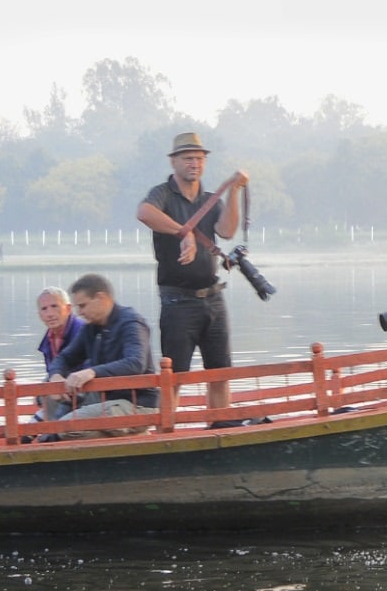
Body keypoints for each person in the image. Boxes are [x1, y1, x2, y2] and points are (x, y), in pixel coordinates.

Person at [136, 132, 251, 416]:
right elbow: (144, 213)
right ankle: (169, 433)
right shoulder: (162, 194)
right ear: (174, 162)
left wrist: (234, 190)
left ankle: (221, 425)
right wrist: (182, 232)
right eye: (188, 159)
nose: (194, 164)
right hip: (177, 299)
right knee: (173, 376)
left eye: (199, 159)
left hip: (212, 297)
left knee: (220, 373)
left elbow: (225, 231)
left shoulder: (210, 200)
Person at [40, 273, 159, 427]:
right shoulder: (91, 328)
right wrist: (55, 375)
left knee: (68, 426)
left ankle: (58, 436)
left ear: (101, 298)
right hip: (104, 399)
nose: (79, 313)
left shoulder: (131, 323)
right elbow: (64, 358)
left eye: (83, 306)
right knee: (49, 389)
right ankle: (52, 435)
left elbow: (136, 363)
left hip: (135, 404)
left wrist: (92, 372)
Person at [27, 288, 86, 421]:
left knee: (47, 394)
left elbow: (90, 365)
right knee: (42, 393)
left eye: (55, 306)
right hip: (63, 393)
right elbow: (52, 371)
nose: (50, 314)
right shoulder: (48, 340)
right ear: (39, 315)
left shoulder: (82, 331)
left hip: (84, 392)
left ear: (68, 308)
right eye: (44, 309)